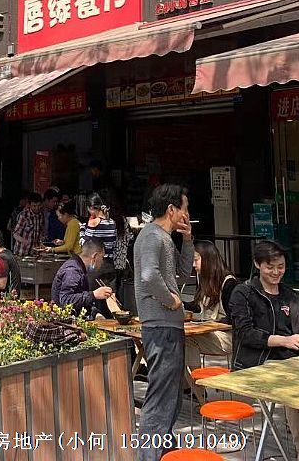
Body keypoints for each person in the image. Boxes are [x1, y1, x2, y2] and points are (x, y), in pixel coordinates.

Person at [228, 240, 299, 461]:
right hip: (257, 362)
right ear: (257, 264)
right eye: (269, 267)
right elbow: (246, 334)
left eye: (280, 267)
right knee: (295, 386)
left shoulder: (289, 294)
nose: (276, 272)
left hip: (292, 360)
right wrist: (284, 341)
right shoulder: (243, 293)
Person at [133, 184, 195, 461]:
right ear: (172, 209)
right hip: (160, 324)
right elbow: (148, 276)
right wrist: (171, 301)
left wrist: (188, 239)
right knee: (161, 396)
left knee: (170, 395)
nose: (187, 214)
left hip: (168, 324)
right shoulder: (151, 236)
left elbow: (183, 273)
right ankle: (149, 455)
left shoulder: (164, 238)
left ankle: (163, 452)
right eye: (185, 208)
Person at [184, 241, 239, 366]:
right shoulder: (203, 279)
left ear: (208, 259)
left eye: (196, 260)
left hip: (228, 336)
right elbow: (198, 306)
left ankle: (195, 378)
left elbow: (234, 318)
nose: (193, 265)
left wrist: (208, 324)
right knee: (178, 337)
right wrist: (181, 305)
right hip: (211, 332)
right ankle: (190, 378)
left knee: (186, 341)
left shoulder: (229, 283)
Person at [51, 239, 112, 318]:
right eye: (102, 257)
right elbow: (65, 300)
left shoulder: (80, 267)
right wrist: (93, 295)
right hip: (65, 319)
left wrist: (95, 313)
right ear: (95, 256)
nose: (102, 262)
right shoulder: (72, 270)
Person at [80, 193, 118, 274]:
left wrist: (82, 228)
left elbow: (84, 243)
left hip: (97, 263)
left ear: (91, 208)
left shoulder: (93, 222)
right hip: (110, 263)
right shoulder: (112, 222)